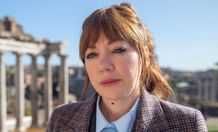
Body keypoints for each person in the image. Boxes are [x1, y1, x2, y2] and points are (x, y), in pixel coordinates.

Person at [46, 3, 207, 132]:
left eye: (118, 50)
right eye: (92, 54)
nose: (104, 66)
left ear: (144, 57)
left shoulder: (189, 124)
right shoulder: (60, 120)